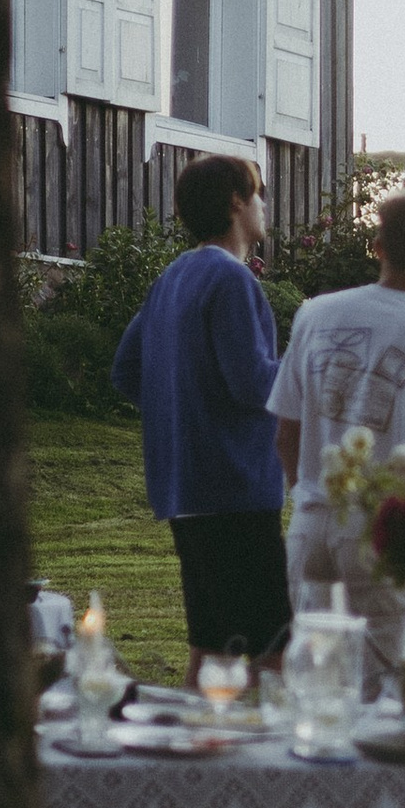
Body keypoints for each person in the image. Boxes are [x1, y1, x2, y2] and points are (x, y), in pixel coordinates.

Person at [268, 184, 405, 671]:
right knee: (387, 671)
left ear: (378, 246)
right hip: (386, 530)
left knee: (313, 666)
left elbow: (286, 431)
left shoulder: (315, 314)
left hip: (312, 522)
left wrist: (306, 492)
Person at [110, 151, 293, 672]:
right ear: (236, 202)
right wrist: (309, 367)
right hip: (236, 490)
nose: (264, 205)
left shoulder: (173, 276)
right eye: (258, 194)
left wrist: (183, 409)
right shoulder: (232, 279)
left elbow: (126, 370)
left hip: (184, 491)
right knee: (273, 655)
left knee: (211, 651)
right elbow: (254, 384)